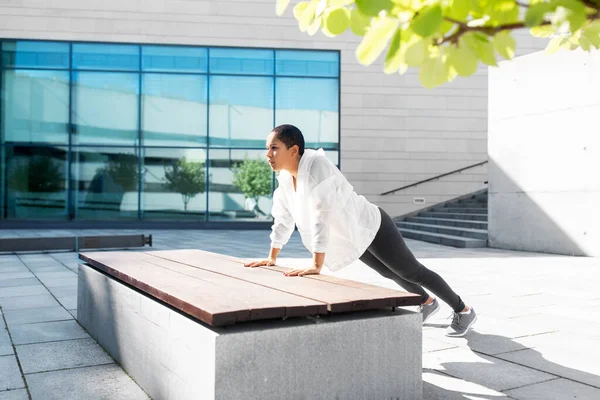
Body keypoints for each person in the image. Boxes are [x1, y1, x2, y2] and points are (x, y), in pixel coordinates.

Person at [244, 124, 477, 337]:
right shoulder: (285, 179)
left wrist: (317, 264)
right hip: (351, 234)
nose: (268, 155)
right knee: (390, 273)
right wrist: (271, 257)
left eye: (274, 148)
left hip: (372, 225)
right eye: (267, 148)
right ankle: (427, 303)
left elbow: (320, 214)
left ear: (293, 150)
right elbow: (283, 217)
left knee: (412, 271)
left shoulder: (317, 166)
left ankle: (463, 310)